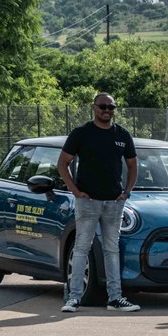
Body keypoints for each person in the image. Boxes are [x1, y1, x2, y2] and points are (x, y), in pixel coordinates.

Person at [57, 93, 141, 313]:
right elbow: (62, 164)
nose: (107, 110)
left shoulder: (122, 134)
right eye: (103, 106)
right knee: (81, 248)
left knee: (112, 250)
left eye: (111, 107)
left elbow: (132, 165)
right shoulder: (81, 133)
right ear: (94, 107)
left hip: (114, 203)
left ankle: (115, 298)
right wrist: (75, 191)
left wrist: (127, 192)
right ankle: (74, 297)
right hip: (88, 202)